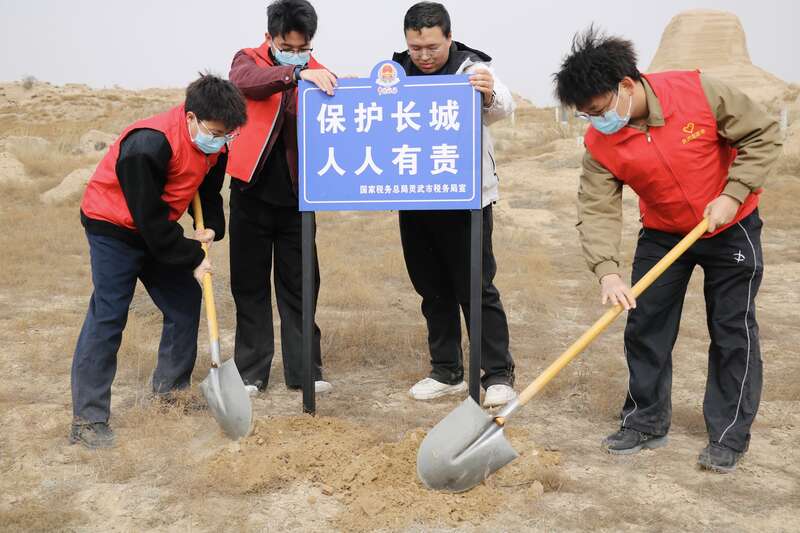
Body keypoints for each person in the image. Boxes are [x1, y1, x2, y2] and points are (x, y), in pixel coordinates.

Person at [554, 26, 782, 472]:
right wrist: (607, 271)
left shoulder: (698, 93)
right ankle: (645, 421)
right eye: (586, 116)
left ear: (626, 85)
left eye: (598, 110)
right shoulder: (600, 142)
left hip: (730, 224)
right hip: (663, 232)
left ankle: (729, 436)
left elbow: (763, 134)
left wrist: (733, 193)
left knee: (732, 329)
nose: (597, 121)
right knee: (645, 325)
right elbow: (597, 206)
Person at [71, 74, 247, 449]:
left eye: (227, 135)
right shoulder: (147, 145)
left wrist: (212, 227)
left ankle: (170, 393)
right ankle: (88, 419)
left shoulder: (216, 143)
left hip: (156, 227)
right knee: (109, 315)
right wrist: (191, 257)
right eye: (216, 133)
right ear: (190, 117)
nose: (220, 141)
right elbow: (146, 218)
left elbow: (208, 191)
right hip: (113, 227)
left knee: (184, 300)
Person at [392, 2, 517, 407]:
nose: (424, 56)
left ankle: (497, 374)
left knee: (476, 288)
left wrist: (489, 92)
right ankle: (446, 371)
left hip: (467, 202)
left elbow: (503, 107)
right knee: (432, 289)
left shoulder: (471, 69)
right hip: (415, 199)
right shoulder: (396, 73)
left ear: (449, 38)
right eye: (416, 48)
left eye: (432, 47)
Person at [227, 0, 337, 396]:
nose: (295, 53)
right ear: (270, 37)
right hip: (250, 194)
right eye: (287, 47)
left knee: (301, 286)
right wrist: (294, 74)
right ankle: (250, 373)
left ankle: (306, 371)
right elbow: (245, 82)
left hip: (298, 201)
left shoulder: (320, 73)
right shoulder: (247, 60)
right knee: (249, 286)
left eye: (302, 48)